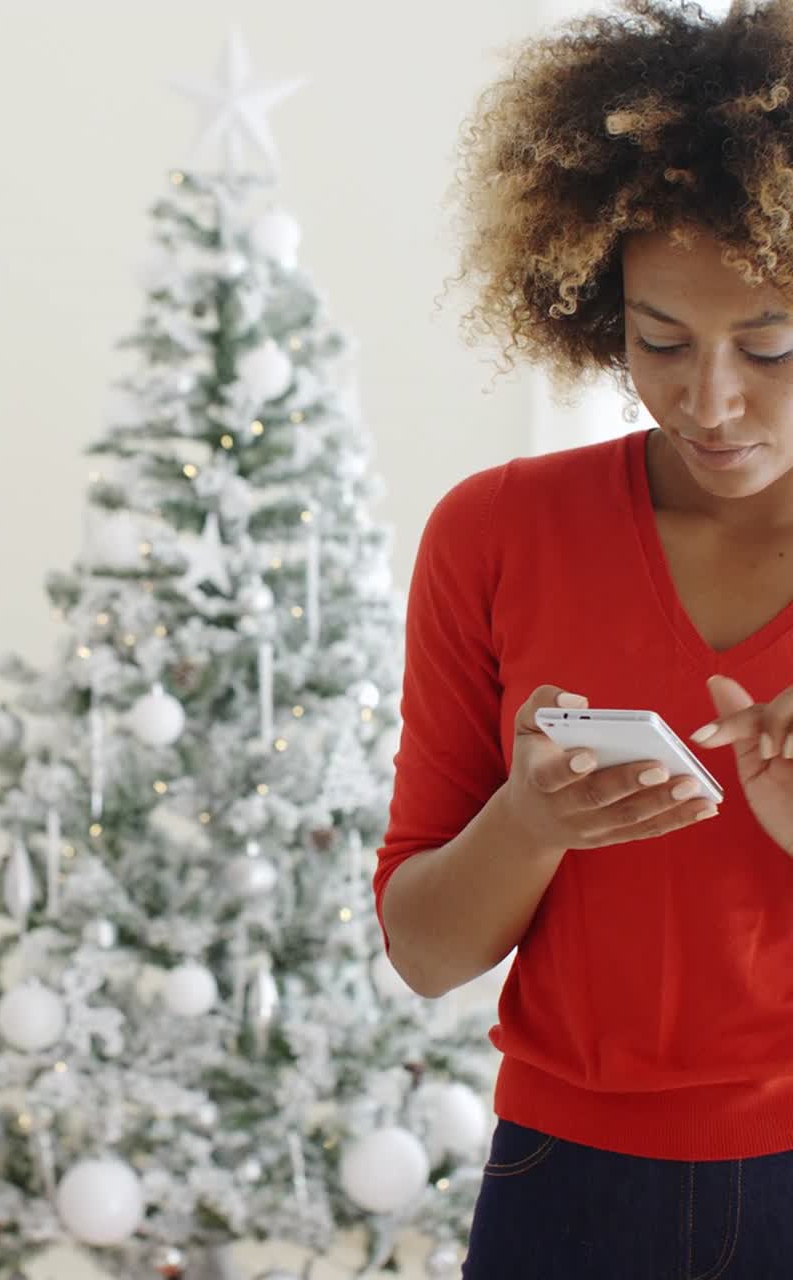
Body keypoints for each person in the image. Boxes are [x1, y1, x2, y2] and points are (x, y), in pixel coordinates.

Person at [373, 1, 793, 1274]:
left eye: (769, 345)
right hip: (566, 1186)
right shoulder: (496, 533)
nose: (706, 400)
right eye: (655, 339)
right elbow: (422, 947)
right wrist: (531, 822)